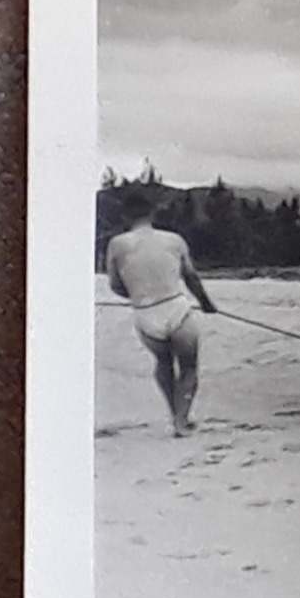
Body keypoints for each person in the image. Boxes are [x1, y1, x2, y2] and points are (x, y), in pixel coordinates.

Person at [105, 187, 219, 437]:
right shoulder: (174, 240)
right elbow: (191, 277)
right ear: (152, 214)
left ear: (125, 217)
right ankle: (182, 419)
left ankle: (174, 416)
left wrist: (138, 296)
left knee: (163, 362)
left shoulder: (117, 244)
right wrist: (207, 303)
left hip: (145, 314)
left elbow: (115, 285)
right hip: (177, 308)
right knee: (188, 367)